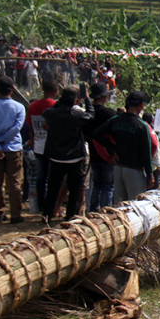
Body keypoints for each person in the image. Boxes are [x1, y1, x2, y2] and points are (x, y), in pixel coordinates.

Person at [42, 84, 94, 221]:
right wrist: (87, 99)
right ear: (76, 99)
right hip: (74, 157)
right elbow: (90, 116)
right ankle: (70, 216)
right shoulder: (76, 113)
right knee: (74, 190)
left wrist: (61, 101)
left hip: (56, 157)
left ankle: (47, 215)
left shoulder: (51, 113)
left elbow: (47, 112)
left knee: (53, 188)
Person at [92, 90, 154, 204]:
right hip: (134, 171)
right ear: (141, 105)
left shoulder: (115, 120)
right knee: (136, 205)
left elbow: (96, 134)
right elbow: (146, 154)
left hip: (118, 168)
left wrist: (111, 149)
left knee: (119, 205)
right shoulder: (142, 126)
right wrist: (150, 175)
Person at [0, 76, 27, 224]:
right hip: (13, 147)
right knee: (15, 181)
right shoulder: (19, 107)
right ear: (12, 90)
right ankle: (16, 213)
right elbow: (16, 128)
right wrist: (3, 140)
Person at [27, 80, 59, 212]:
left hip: (38, 145)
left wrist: (32, 140)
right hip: (53, 146)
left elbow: (30, 127)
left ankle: (40, 204)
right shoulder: (55, 106)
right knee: (53, 177)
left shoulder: (33, 106)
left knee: (41, 176)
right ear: (56, 91)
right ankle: (51, 205)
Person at [86, 83, 116, 211]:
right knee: (108, 186)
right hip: (108, 153)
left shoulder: (88, 113)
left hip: (93, 152)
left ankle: (93, 209)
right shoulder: (110, 113)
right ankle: (104, 211)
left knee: (97, 184)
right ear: (104, 96)